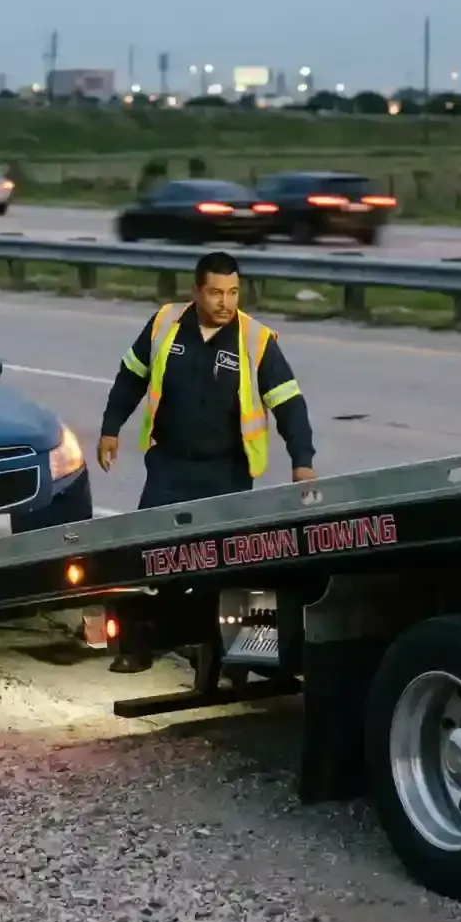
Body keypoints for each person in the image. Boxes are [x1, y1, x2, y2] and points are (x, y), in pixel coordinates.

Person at [96, 250, 316, 673]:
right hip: (169, 468)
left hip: (226, 472)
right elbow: (131, 376)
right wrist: (110, 428)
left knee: (226, 569)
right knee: (152, 560)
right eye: (215, 292)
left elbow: (289, 402)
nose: (225, 303)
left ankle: (230, 660)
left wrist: (301, 461)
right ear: (195, 291)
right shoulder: (164, 325)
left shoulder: (255, 340)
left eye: (233, 292)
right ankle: (141, 645)